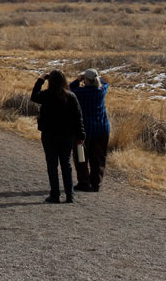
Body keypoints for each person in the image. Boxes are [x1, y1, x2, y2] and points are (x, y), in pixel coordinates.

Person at [30, 70, 85, 204]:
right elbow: (78, 117)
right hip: (67, 136)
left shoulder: (46, 95)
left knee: (52, 164)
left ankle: (54, 195)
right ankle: (69, 194)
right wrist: (81, 135)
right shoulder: (71, 96)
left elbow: (34, 96)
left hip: (49, 135)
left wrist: (40, 80)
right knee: (66, 164)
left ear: (50, 82)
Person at [69, 68, 111, 192]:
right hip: (101, 129)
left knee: (81, 157)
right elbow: (105, 82)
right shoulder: (101, 91)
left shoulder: (80, 92)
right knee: (98, 157)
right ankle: (96, 182)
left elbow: (70, 87)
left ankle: (84, 182)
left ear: (86, 80)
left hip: (83, 130)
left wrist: (78, 78)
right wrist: (95, 76)